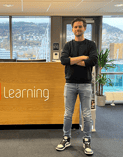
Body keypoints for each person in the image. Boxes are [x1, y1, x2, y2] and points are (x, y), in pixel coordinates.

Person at [56, 18, 97, 156]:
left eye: (80, 27)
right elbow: (63, 60)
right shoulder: (68, 45)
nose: (77, 29)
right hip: (70, 83)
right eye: (75, 27)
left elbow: (93, 61)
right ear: (72, 29)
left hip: (85, 84)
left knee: (86, 114)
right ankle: (66, 138)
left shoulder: (91, 44)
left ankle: (87, 140)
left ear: (84, 28)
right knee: (68, 114)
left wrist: (73, 60)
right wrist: (83, 57)